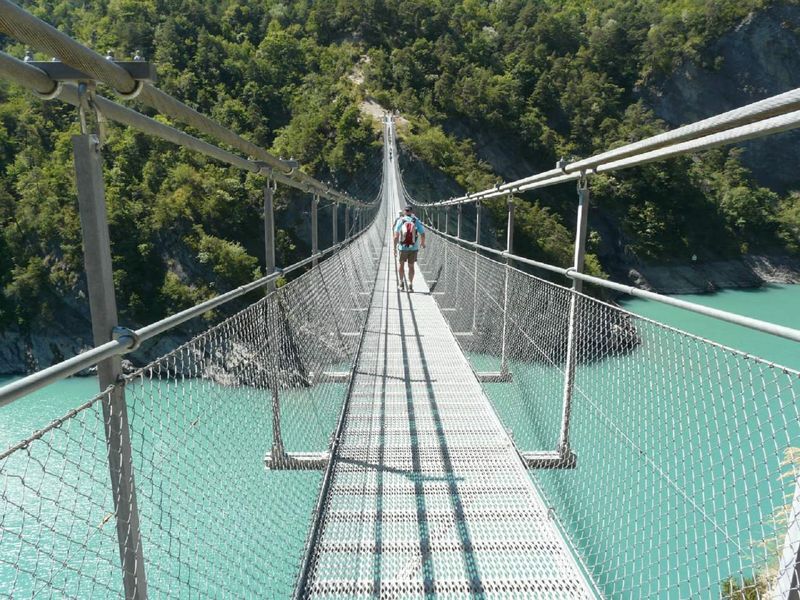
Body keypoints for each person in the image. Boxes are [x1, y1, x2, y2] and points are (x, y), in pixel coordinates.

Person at [393, 205, 425, 292]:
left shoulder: (401, 220)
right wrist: (422, 243)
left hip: (402, 247)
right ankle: (410, 284)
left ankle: (401, 283)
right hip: (413, 248)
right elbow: (422, 233)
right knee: (411, 266)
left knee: (401, 265)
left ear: (404, 211)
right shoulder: (415, 220)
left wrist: (394, 249)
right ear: (411, 211)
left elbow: (396, 236)